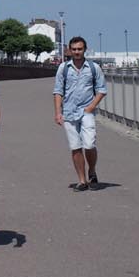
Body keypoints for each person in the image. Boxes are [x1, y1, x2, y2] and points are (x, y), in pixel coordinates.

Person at [53, 36, 107, 191]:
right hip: (69, 113)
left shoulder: (93, 68)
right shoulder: (63, 68)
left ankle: (92, 170)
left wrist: (91, 107)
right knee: (75, 147)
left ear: (85, 50)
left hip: (86, 111)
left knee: (89, 144)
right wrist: (58, 113)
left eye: (80, 49)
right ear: (70, 50)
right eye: (74, 49)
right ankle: (82, 180)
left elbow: (102, 90)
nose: (77, 52)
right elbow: (58, 91)